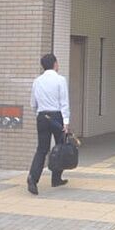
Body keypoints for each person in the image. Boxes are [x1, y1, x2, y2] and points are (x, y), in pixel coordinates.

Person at [27, 53, 70, 195]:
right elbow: (64, 102)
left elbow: (33, 103)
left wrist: (38, 114)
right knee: (60, 147)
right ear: (55, 64)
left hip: (42, 116)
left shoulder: (37, 81)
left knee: (42, 149)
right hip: (57, 116)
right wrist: (66, 121)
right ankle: (56, 178)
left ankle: (33, 178)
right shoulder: (60, 80)